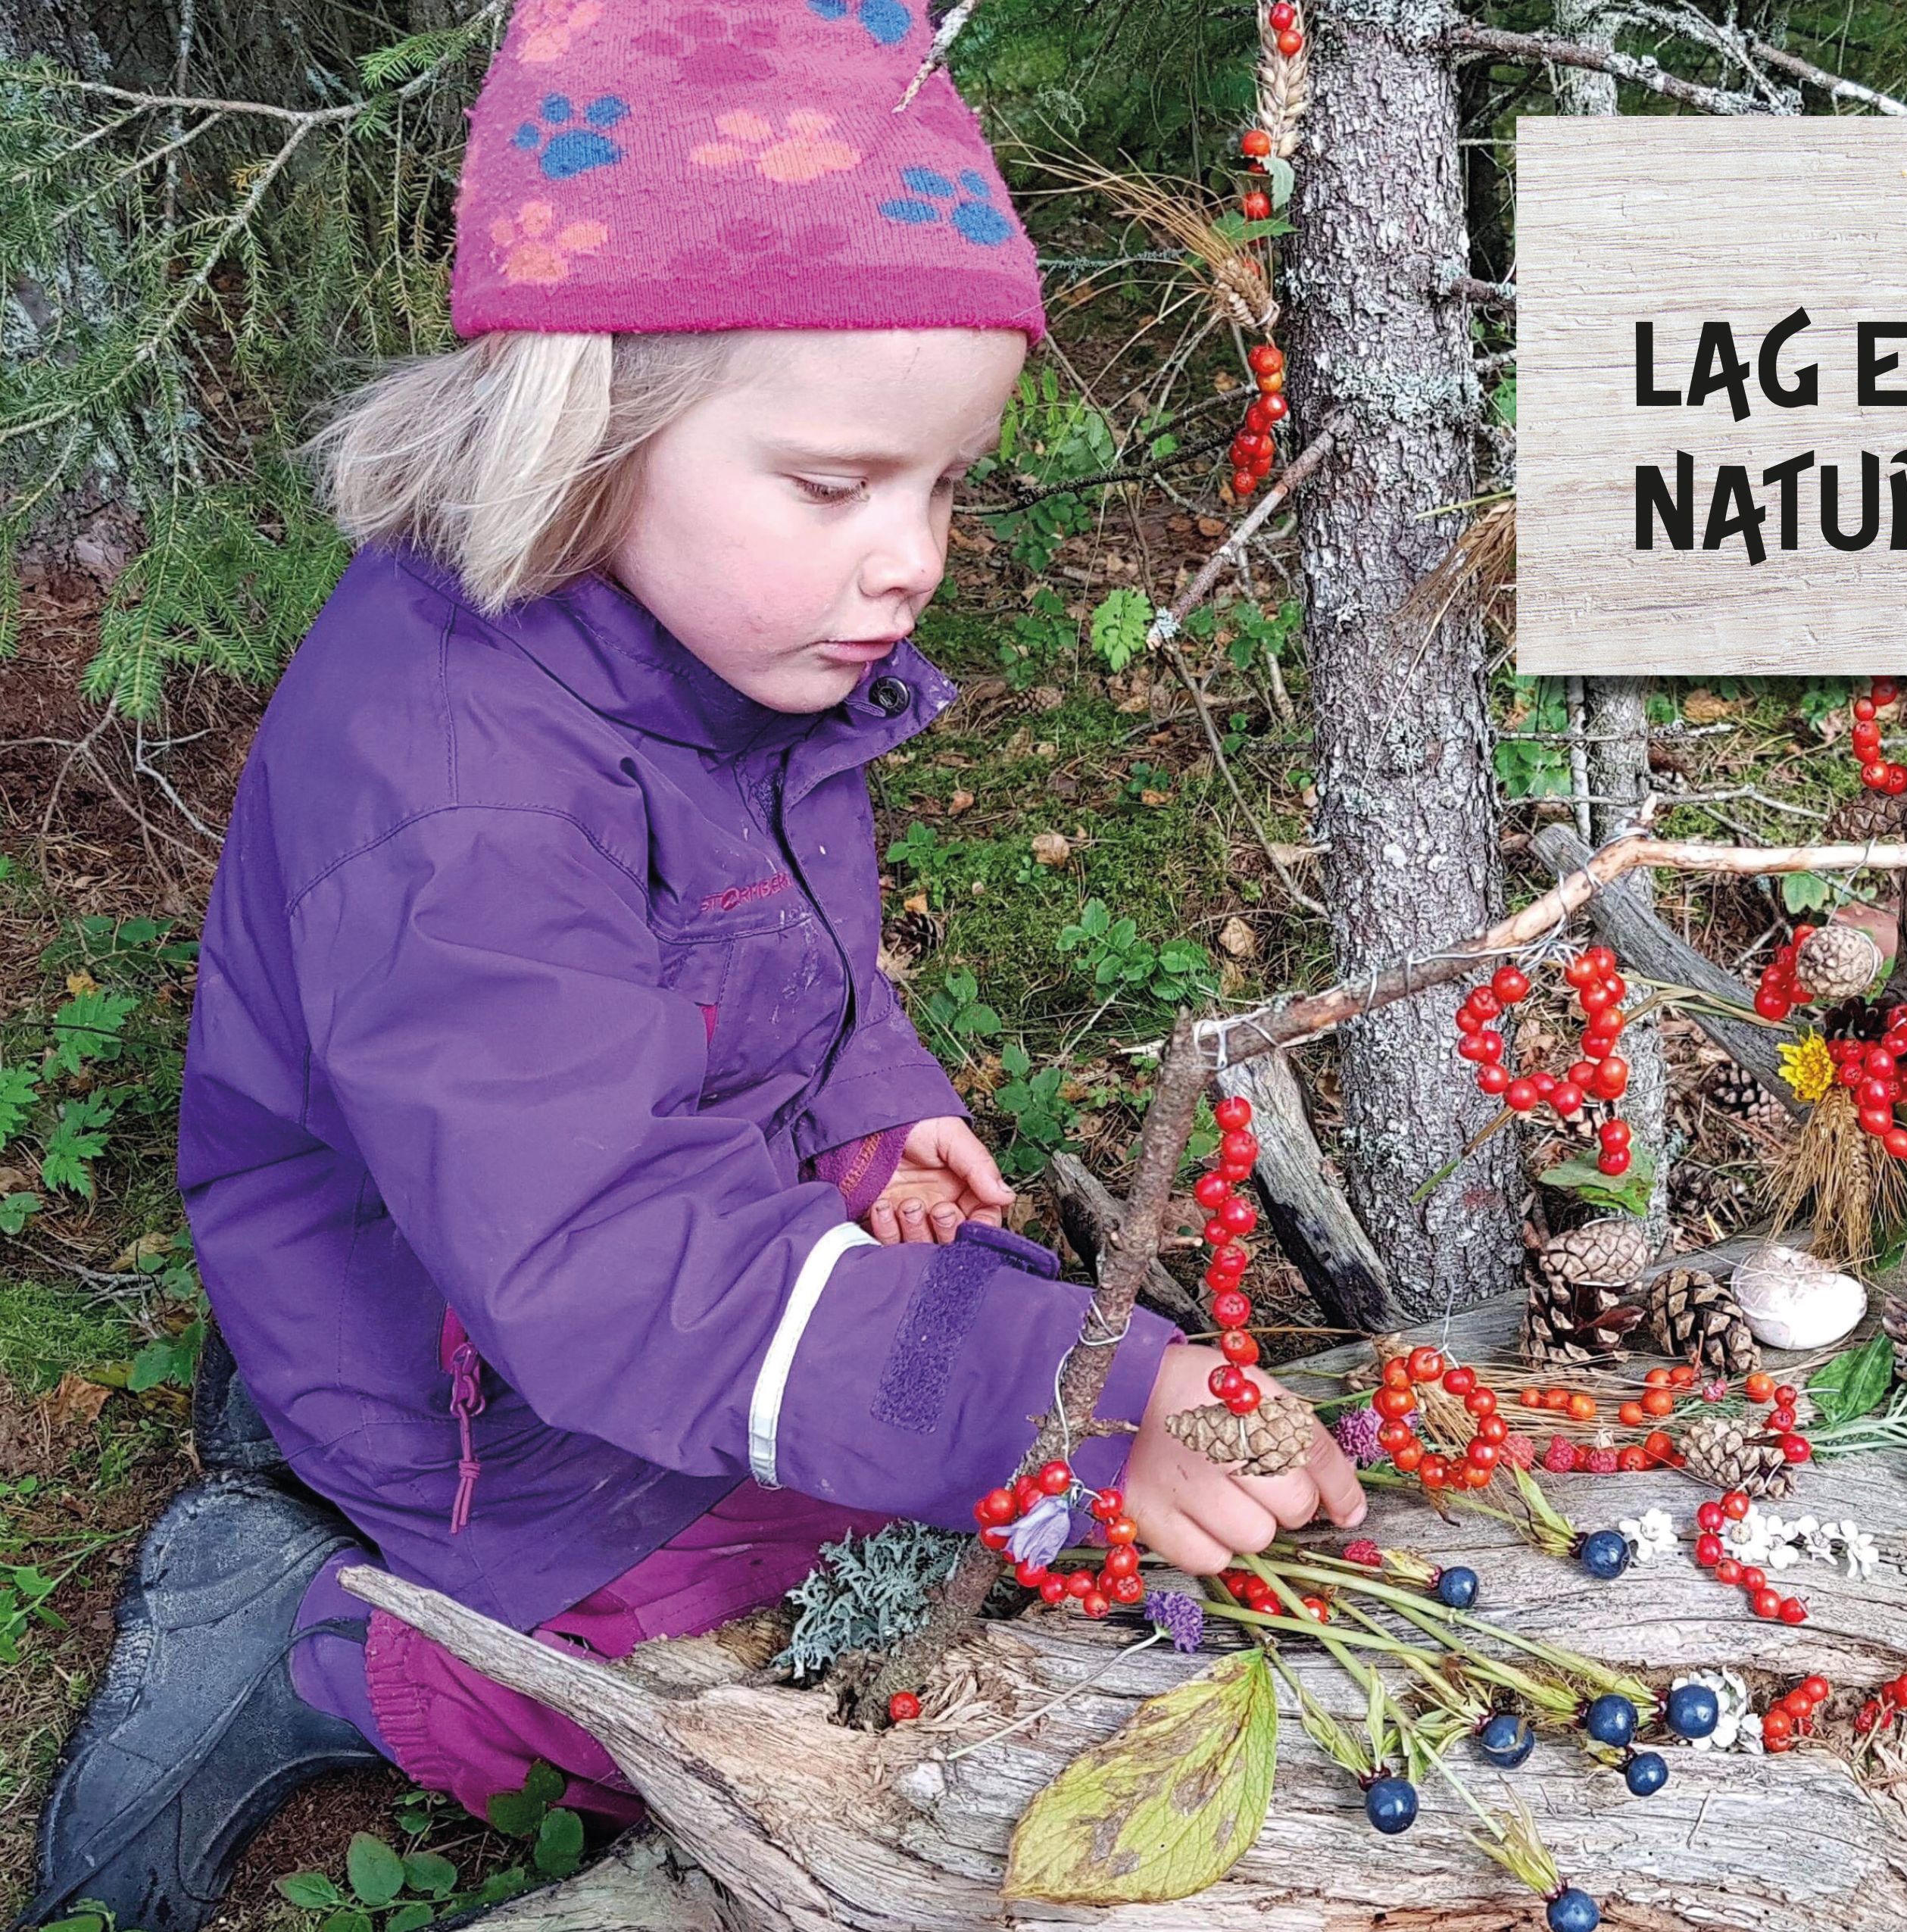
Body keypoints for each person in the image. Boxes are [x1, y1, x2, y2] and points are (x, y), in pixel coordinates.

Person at [20, 11, 1363, 1928]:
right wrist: (1048, 1395)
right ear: (591, 426)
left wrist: (870, 1092)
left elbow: (765, 925)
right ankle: (319, 1635)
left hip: (605, 1219)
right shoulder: (452, 796)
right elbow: (593, 1250)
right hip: (470, 1341)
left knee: (980, 1468)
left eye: (942, 486)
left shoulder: (705, 639)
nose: (910, 560)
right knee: (753, 1677)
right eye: (835, 487)